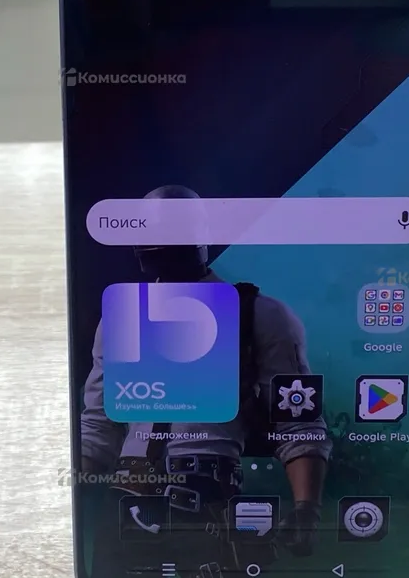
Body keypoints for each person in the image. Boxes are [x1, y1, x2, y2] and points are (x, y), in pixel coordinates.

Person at [80, 185, 332, 577]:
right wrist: (73, 496)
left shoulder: (260, 315)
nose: (160, 244)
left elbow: (299, 423)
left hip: (207, 504)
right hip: (127, 504)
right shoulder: (121, 317)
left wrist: (307, 510)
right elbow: (98, 426)